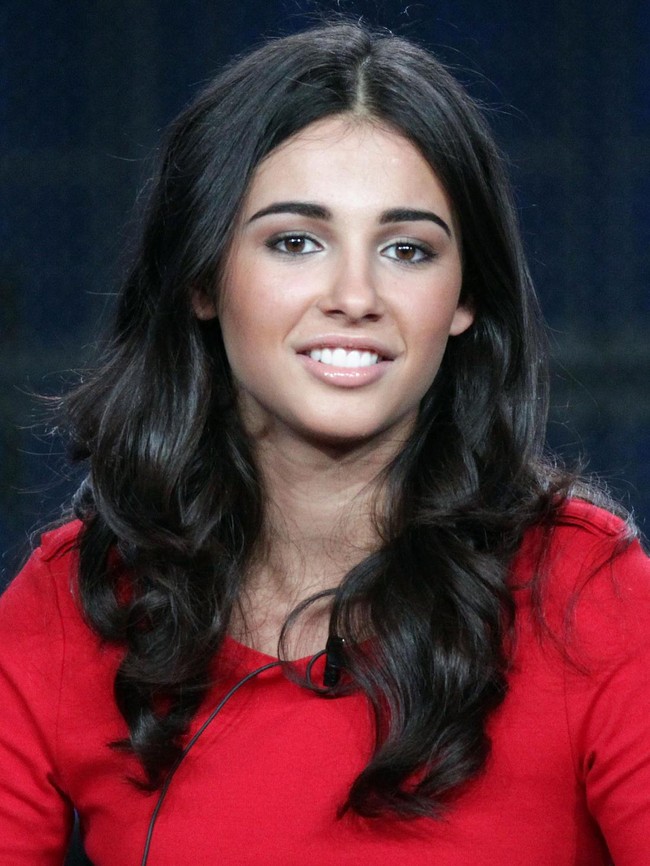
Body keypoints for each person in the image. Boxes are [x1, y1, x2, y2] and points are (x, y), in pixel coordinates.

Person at [1, 20, 649, 866]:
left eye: (407, 250)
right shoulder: (76, 603)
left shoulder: (586, 599)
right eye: (296, 242)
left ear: (463, 301)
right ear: (203, 276)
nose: (356, 294)